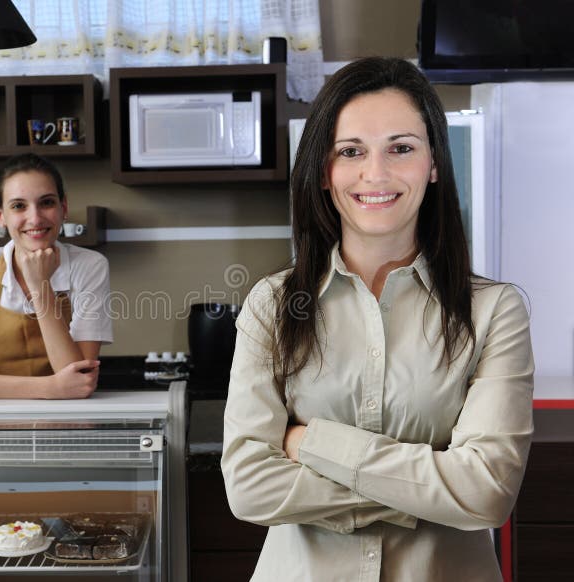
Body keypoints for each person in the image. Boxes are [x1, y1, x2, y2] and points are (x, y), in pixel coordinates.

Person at [221, 57, 534, 581]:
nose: (376, 173)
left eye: (401, 148)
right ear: (325, 171)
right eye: (351, 152)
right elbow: (250, 487)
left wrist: (309, 443)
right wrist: (431, 492)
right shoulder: (271, 304)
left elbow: (486, 493)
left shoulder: (494, 310)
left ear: (433, 162)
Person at [0, 154, 112, 399]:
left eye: (47, 203)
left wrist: (39, 285)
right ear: (0, 215)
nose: (35, 218)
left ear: (63, 208)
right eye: (19, 206)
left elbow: (79, 383)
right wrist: (52, 388)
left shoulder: (90, 266)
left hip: (70, 426)